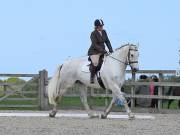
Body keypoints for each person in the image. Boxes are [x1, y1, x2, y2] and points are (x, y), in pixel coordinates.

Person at [88, 19, 113, 83]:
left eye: (102, 26)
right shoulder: (93, 34)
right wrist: (103, 51)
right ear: (96, 27)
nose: (102, 27)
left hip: (102, 51)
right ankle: (92, 77)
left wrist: (111, 50)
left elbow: (107, 41)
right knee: (96, 63)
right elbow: (95, 44)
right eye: (100, 26)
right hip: (94, 52)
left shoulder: (104, 32)